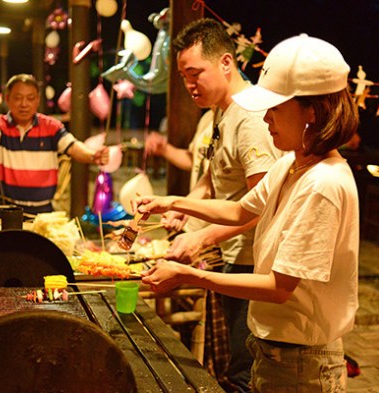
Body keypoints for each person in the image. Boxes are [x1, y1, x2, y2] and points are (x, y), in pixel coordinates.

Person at [135, 33, 359, 391]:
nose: (266, 118)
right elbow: (240, 210)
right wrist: (172, 202)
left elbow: (279, 287)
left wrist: (189, 275)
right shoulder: (291, 163)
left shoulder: (324, 183)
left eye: (276, 108)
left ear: (312, 112)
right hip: (275, 350)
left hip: (303, 360)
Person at [150, 19, 282, 392]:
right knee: (232, 366)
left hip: (254, 261)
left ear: (226, 62)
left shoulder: (253, 117)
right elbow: (212, 179)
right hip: (232, 253)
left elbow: (261, 205)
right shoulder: (221, 112)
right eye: (183, 76)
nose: (189, 85)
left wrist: (201, 239)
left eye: (195, 73)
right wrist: (181, 207)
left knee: (244, 373)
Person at [0, 74, 109, 217]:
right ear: (7, 99)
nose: (24, 104)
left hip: (42, 211)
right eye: (18, 98)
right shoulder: (1, 125)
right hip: (6, 208)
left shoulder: (51, 127)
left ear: (38, 100)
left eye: (30, 98)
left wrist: (92, 155)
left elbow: (73, 146)